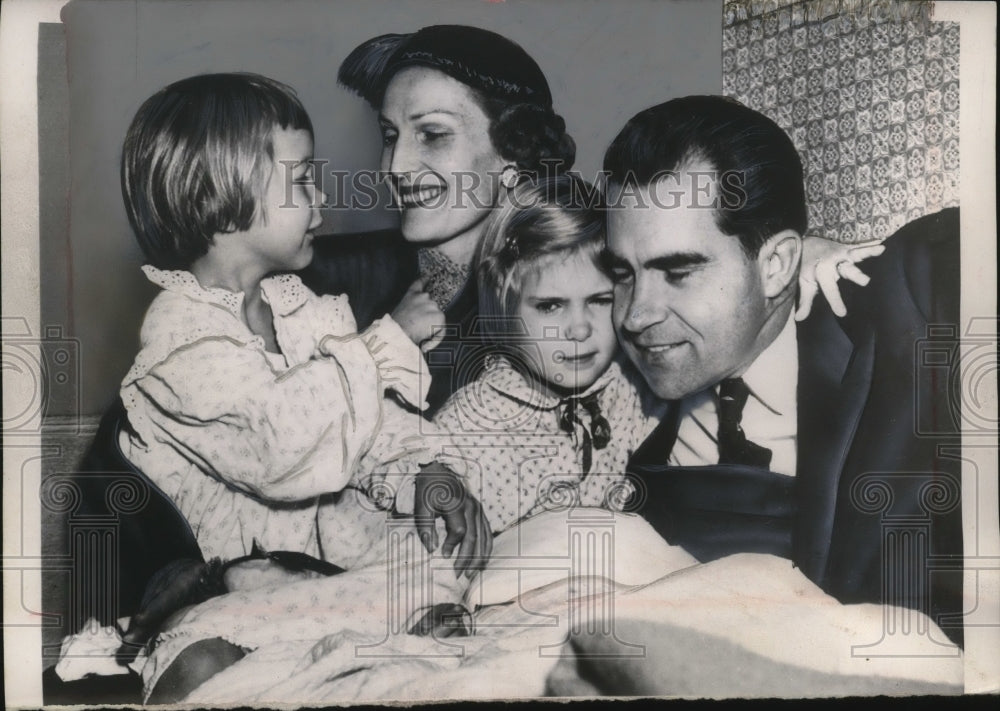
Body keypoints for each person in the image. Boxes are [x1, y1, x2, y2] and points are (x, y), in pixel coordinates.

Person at [116, 73, 490, 701]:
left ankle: (387, 637)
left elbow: (369, 423)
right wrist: (387, 341)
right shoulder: (180, 341)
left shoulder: (303, 310)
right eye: (301, 180)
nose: (322, 199)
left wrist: (428, 471)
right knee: (210, 645)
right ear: (222, 196)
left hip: (334, 570)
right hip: (246, 578)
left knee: (433, 563)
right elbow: (284, 449)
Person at [602, 95, 964, 644]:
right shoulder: (614, 391)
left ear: (775, 264)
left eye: (678, 272)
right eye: (623, 274)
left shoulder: (908, 303)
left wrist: (874, 256)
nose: (634, 315)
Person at [300, 24, 577, 414]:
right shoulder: (316, 279)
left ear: (514, 152)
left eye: (432, 134)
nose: (396, 166)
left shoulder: (569, 298)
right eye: (390, 135)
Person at [431, 175, 666, 533]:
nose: (579, 329)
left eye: (600, 301)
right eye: (551, 306)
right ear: (503, 306)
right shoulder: (464, 428)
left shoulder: (641, 392)